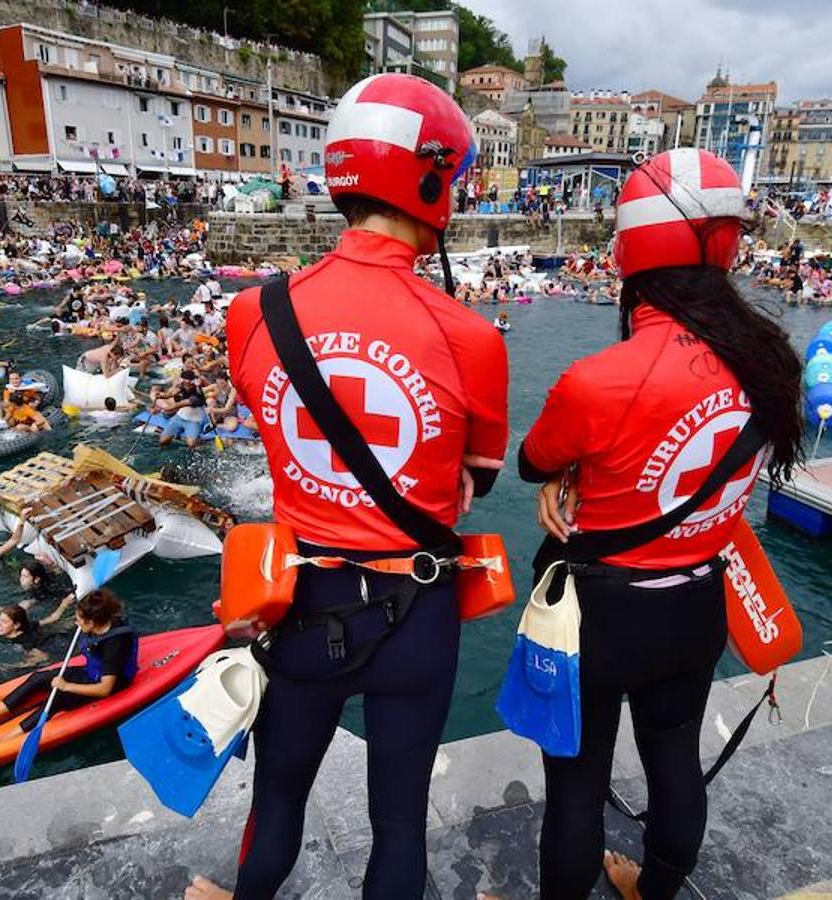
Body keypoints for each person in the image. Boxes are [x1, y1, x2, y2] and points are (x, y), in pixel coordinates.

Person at [191, 73, 509, 900]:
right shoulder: (473, 336)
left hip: (304, 604)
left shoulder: (252, 313)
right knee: (400, 824)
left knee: (279, 800)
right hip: (421, 612)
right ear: (433, 180)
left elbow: (274, 426)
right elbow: (473, 483)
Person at [515, 148, 804, 900]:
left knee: (576, 783)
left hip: (600, 614)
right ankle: (660, 887)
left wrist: (570, 473)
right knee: (675, 760)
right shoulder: (772, 363)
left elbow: (531, 458)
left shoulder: (597, 378)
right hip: (697, 600)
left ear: (627, 251)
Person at [0, 586, 136, 746]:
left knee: (57, 697)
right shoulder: (98, 623)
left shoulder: (115, 644)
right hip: (91, 673)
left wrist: (66, 686)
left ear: (91, 622)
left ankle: (1, 741)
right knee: (37, 678)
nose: (76, 622)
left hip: (110, 684)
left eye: (79, 619)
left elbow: (105, 689)